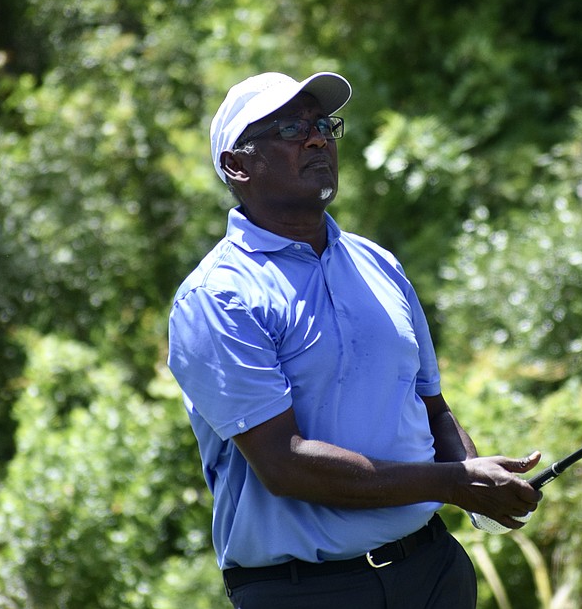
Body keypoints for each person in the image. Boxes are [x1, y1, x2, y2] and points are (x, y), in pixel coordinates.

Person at [167, 70, 542, 608]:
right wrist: (453, 482)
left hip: (433, 570)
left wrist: (480, 490)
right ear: (237, 164)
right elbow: (285, 464)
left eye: (322, 124)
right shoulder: (217, 297)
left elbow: (430, 406)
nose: (318, 138)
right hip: (308, 591)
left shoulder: (378, 264)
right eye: (291, 129)